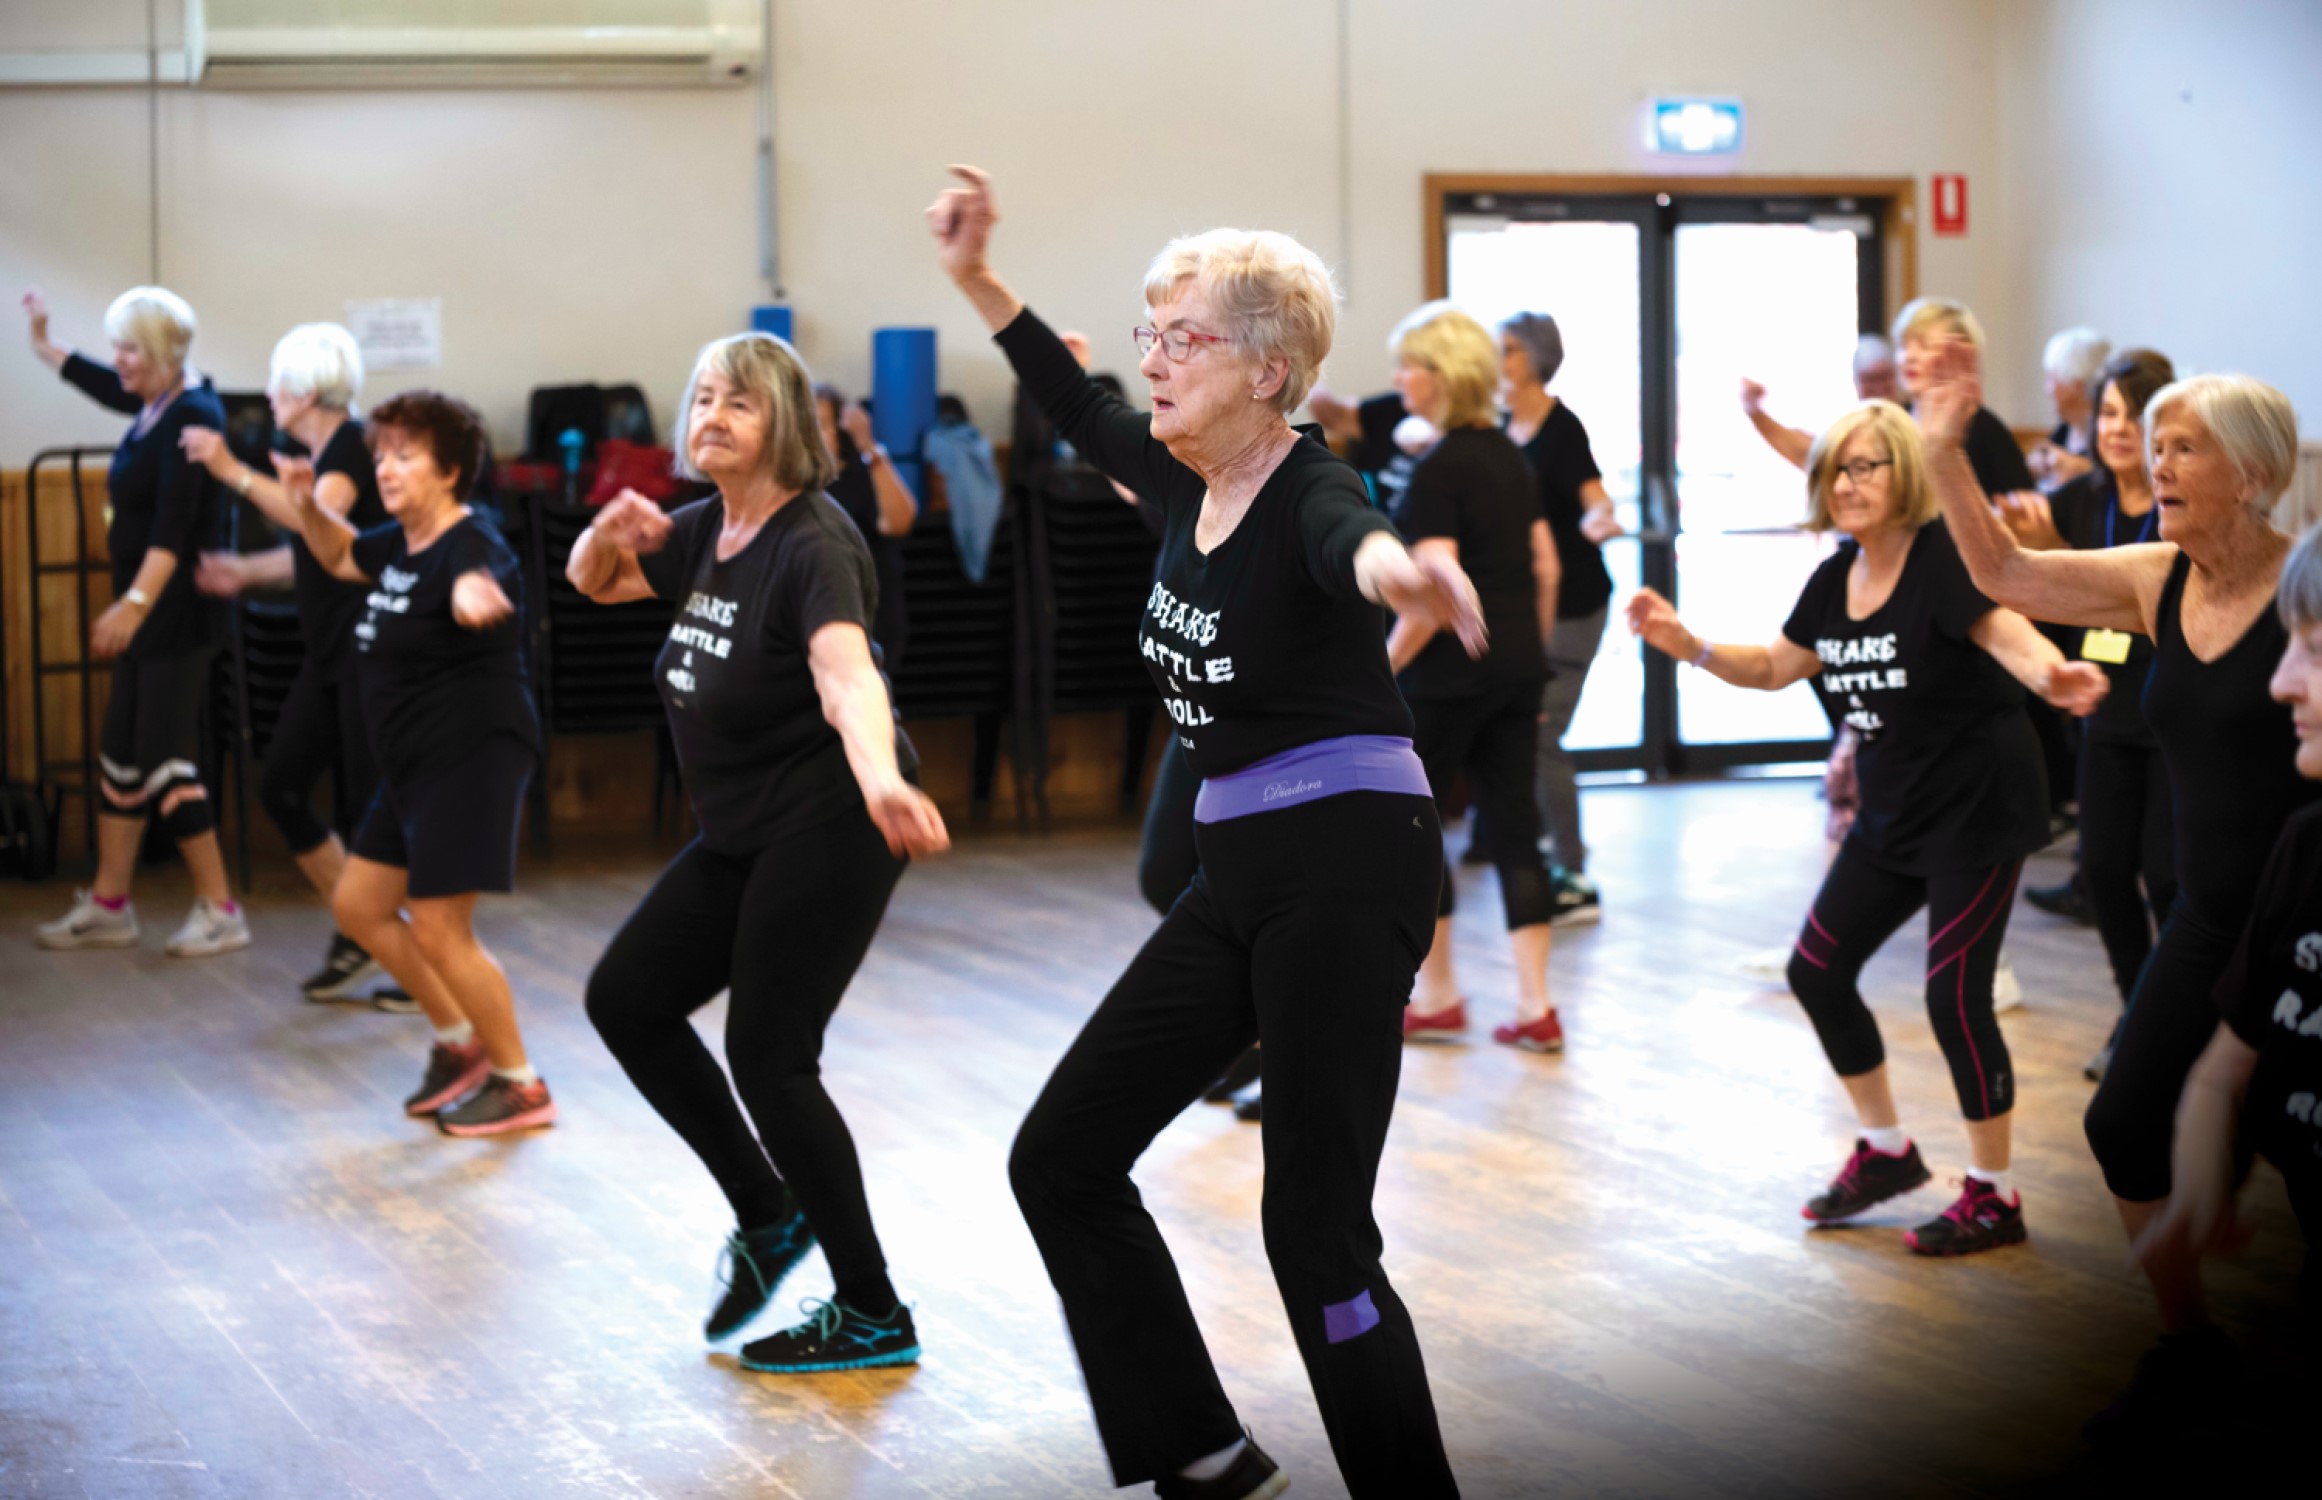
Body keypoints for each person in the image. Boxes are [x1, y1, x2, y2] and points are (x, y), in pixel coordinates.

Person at [931, 164, 1478, 1499]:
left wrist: (1400, 571)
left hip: (1348, 873)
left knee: (1311, 1230)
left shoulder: (1305, 493)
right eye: (1150, 331)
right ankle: (1198, 1451)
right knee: (1059, 1157)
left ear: (1273, 371)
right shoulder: (1181, 483)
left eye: (1187, 337)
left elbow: (1355, 540)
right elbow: (1075, 402)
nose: (1155, 359)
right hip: (1238, 877)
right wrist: (974, 277)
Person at [1910, 338, 2318, 1438]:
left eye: (2190, 448)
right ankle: (2192, 1345)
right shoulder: (2155, 576)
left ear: (2255, 471)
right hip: (2203, 917)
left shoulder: (2306, 589)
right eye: (2160, 443)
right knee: (2125, 1123)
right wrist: (1943, 446)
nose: (2161, 462)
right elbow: (2002, 576)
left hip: (2308, 923)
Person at [1626, 399, 2106, 1255]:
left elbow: (2006, 630)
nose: (1848, 483)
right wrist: (1689, 644)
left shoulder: (1942, 559)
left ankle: (1995, 1193)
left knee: (1955, 997)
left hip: (1979, 807)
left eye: (1868, 466)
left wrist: (2053, 676)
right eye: (1837, 469)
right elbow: (1777, 665)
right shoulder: (1833, 579)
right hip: (1893, 810)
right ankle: (1886, 1150)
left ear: (1905, 476)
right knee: (1816, 969)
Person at [568, 334, 946, 1373]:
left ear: (785, 420)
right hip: (743, 832)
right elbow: (591, 583)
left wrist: (880, 779)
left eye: (739, 400)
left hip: (833, 823)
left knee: (771, 1060)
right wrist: (609, 528)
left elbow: (845, 674)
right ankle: (768, 1212)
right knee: (627, 999)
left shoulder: (810, 542)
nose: (713, 416)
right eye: (700, 400)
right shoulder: (705, 533)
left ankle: (873, 1311)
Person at [265, 391, 553, 1136]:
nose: (386, 469)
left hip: (472, 758)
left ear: (451, 470)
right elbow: (333, 551)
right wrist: (305, 503)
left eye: (406, 455)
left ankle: (520, 1083)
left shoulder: (470, 542)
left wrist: (470, 596)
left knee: (438, 927)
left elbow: (478, 576)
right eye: (381, 454)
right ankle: (460, 1042)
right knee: (359, 906)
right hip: (414, 766)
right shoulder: (397, 543)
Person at [2135, 524, 2322, 1452]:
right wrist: (2201, 1185)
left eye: (2313, 655)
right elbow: (2221, 1070)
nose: (2282, 681)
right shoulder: (2306, 846)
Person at [180, 324, 400, 1005]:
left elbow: (317, 522)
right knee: (280, 785)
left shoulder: (351, 449)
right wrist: (246, 569)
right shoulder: (317, 452)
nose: (270, 396)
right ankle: (366, 932)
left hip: (371, 655)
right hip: (330, 655)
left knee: (372, 812)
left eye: (278, 383)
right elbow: (317, 550)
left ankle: (411, 954)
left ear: (304, 390)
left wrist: (231, 471)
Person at [24, 287, 246, 958]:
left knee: (161, 759)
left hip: (177, 615)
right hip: (148, 614)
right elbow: (102, 383)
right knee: (120, 755)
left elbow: (174, 532)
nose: (118, 359)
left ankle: (220, 908)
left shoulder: (194, 415)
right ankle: (111, 904)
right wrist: (43, 345)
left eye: (129, 348)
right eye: (116, 345)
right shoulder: (152, 404)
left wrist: (134, 605)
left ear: (163, 354)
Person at [1992, 351, 2181, 1081]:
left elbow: (2151, 604)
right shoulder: (2075, 503)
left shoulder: (2176, 506)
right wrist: (2035, 554)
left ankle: (2169, 1026)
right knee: (2103, 874)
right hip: (2102, 719)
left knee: (2167, 881)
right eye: (2108, 412)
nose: (2119, 428)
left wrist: (2059, 555)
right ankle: (2138, 1017)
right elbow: (2038, 599)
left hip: (2169, 724)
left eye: (2136, 414)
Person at [1385, 303, 1563, 1052]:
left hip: (1449, 676)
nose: (1400, 379)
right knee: (1516, 829)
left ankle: (1441, 994)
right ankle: (1535, 1007)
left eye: (1410, 365)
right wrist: (1527, 649)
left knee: (1413, 831)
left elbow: (1432, 595)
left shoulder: (1438, 469)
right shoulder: (1508, 454)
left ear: (1441, 376)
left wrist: (1378, 668)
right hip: (1516, 666)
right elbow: (1545, 566)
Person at [1497, 311, 1621, 926]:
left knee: (1544, 735)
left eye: (1511, 349)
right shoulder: (1499, 426)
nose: (1500, 359)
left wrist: (1601, 520)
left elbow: (1596, 499)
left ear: (1537, 358)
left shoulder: (1561, 427)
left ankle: (1574, 875)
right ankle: (1538, 850)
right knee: (1521, 735)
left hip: (1573, 607)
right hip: (1524, 607)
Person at [813, 382, 916, 669]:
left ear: (839, 431)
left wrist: (869, 447)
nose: (808, 435)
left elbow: (898, 522)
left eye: (819, 424)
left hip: (868, 621)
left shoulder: (862, 475)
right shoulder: (788, 485)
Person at [1739, 333, 1899, 469]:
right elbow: (1805, 451)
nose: (1878, 389)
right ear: (1855, 382)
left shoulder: (1914, 423)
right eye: (1869, 381)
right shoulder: (1846, 434)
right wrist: (1755, 412)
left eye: (1884, 378)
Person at [2028, 327, 2111, 489]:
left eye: (2052, 378)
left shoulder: (2106, 435)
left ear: (2076, 384)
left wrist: (2081, 468)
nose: (2047, 390)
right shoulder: (2064, 431)